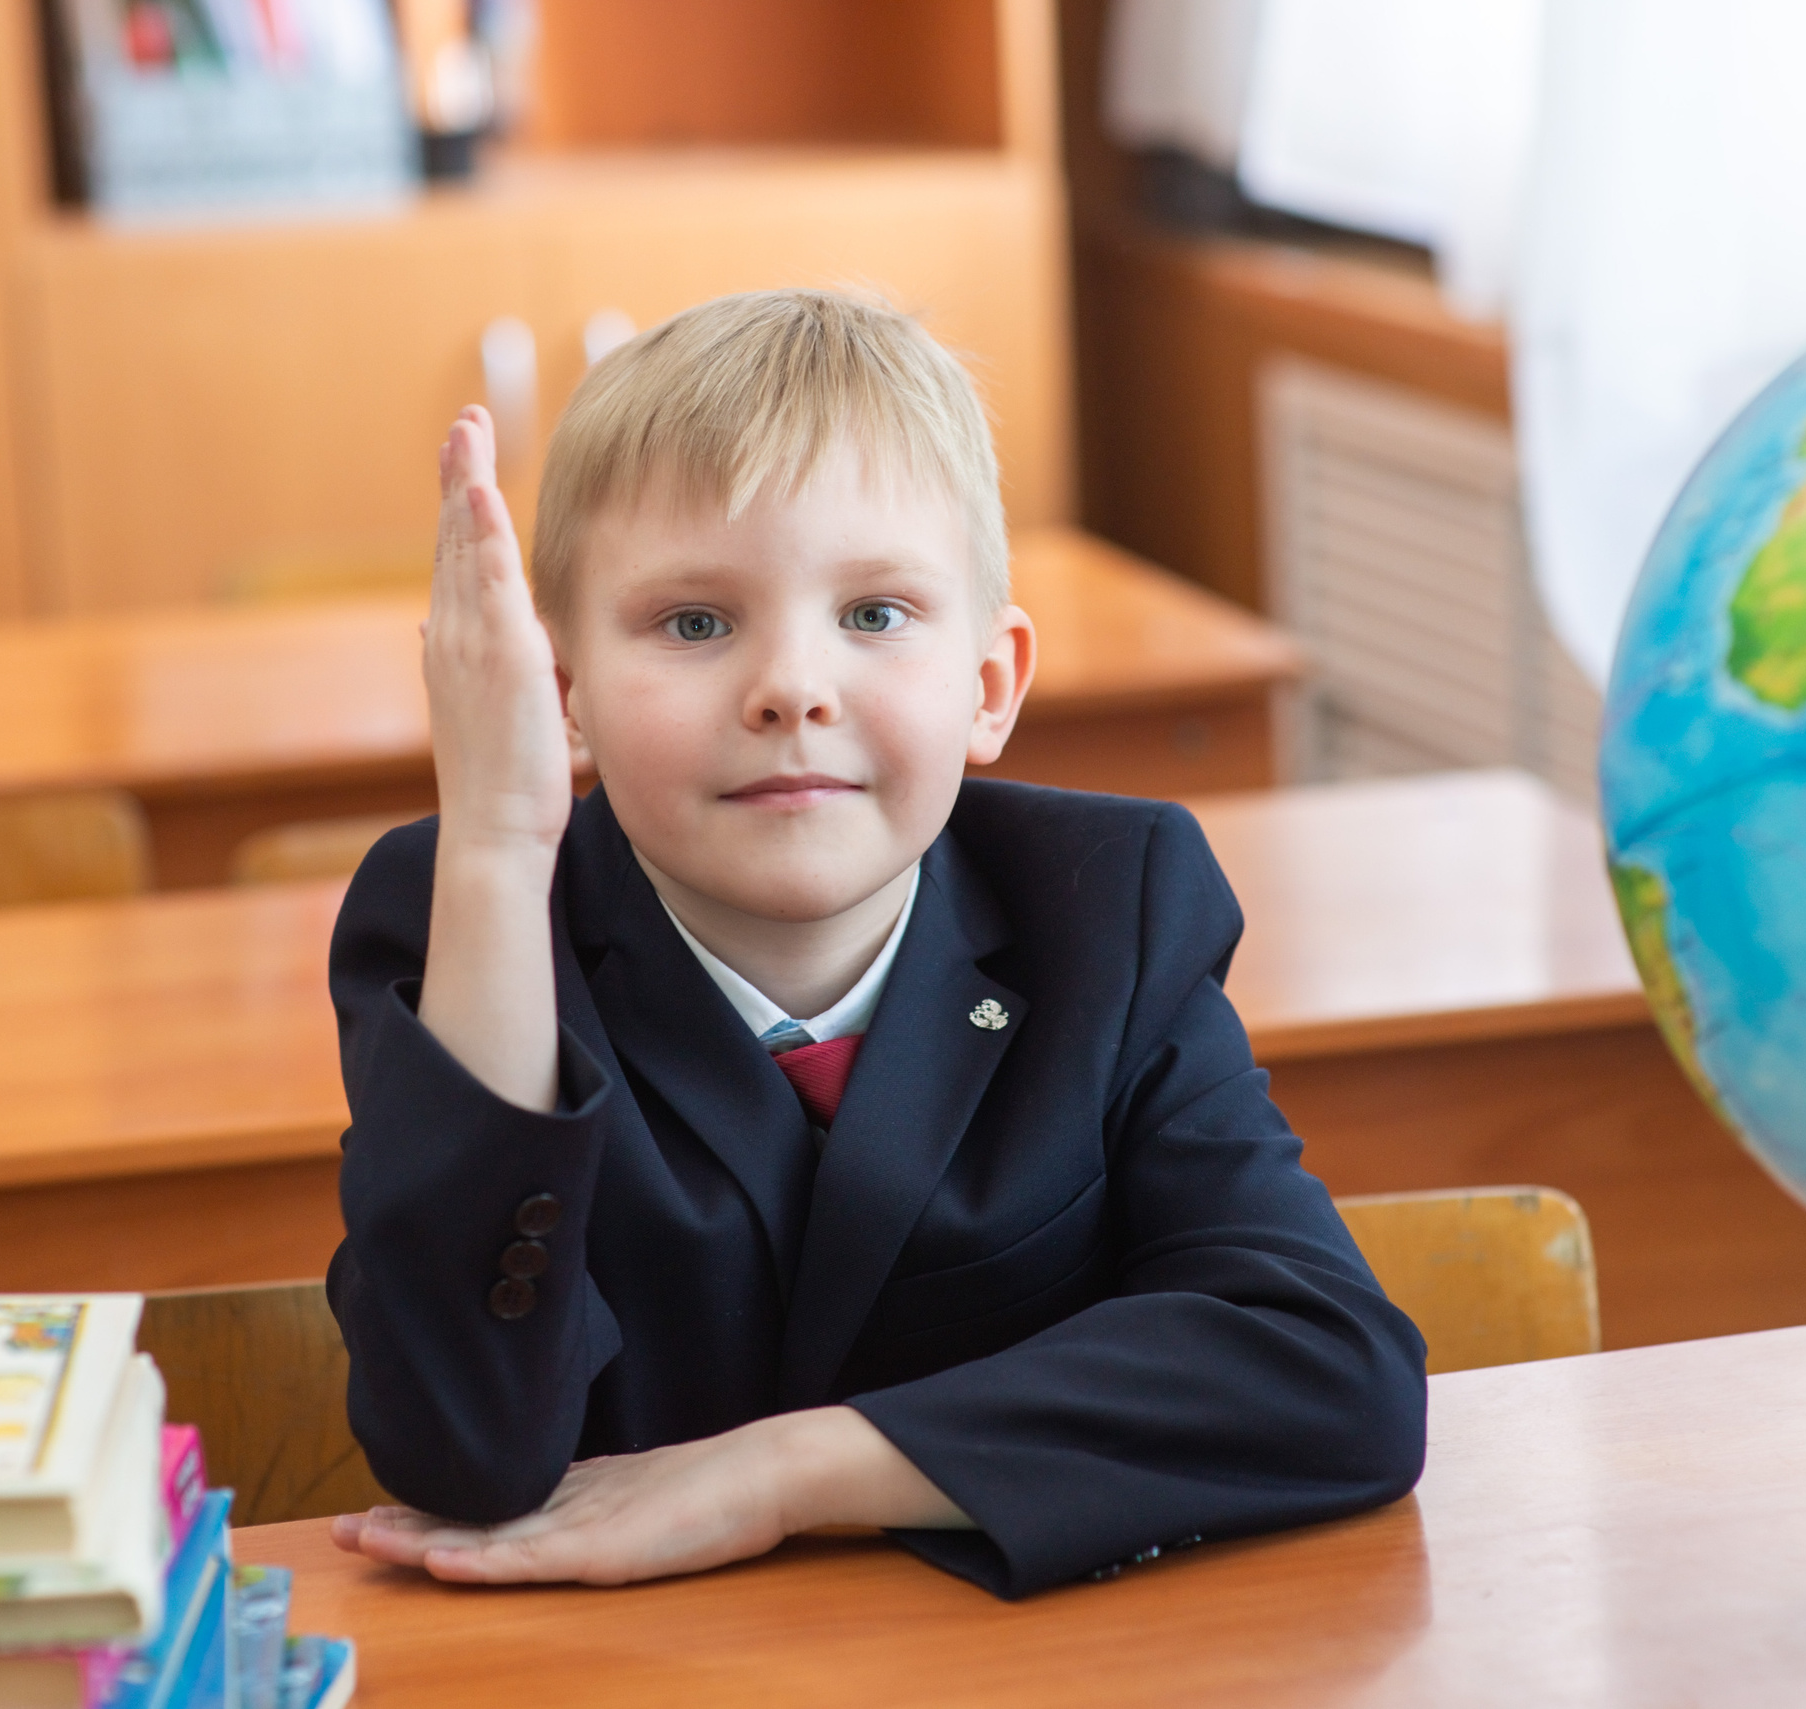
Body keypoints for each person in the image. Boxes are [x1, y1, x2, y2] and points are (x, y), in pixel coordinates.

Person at [323, 289, 1427, 1599]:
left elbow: (1331, 1367)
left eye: (876, 614)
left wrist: (786, 1473)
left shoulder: (1107, 910)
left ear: (990, 683)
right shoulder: (463, 920)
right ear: (562, 697)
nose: (794, 684)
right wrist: (503, 839)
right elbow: (462, 1453)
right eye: (693, 622)